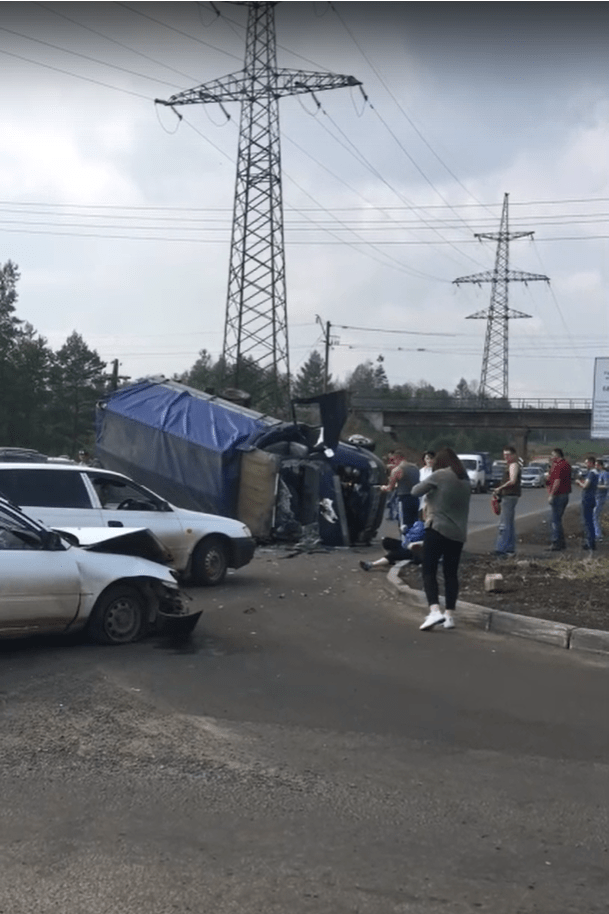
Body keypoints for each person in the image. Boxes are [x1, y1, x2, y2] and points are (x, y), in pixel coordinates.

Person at [411, 447, 471, 632]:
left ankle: (434, 609)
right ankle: (449, 616)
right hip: (458, 533)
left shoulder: (441, 476)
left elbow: (415, 491)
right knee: (450, 574)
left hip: (437, 529)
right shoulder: (465, 479)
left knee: (428, 569)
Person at [359, 520, 425, 572]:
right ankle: (388, 561)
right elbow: (410, 532)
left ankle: (371, 565)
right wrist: (405, 530)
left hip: (413, 550)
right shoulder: (419, 523)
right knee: (386, 541)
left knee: (393, 555)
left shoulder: (428, 528)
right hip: (405, 544)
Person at [493, 446, 522, 557]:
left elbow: (512, 480)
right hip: (510, 495)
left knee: (504, 523)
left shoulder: (513, 465)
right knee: (508, 523)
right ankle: (509, 548)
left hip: (509, 496)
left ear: (514, 455)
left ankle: (502, 548)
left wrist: (499, 488)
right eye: (504, 454)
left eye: (508, 454)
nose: (506, 457)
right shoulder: (510, 465)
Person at [381, 454, 420, 533]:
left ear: (397, 459)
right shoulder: (415, 468)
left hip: (404, 498)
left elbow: (390, 488)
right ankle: (414, 539)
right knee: (415, 522)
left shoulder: (397, 470)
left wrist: (382, 488)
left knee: (404, 524)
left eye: (393, 460)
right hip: (416, 498)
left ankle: (405, 541)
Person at [546, 448, 572, 551]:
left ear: (557, 455)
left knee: (555, 520)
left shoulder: (558, 465)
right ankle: (561, 543)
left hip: (558, 495)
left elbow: (557, 481)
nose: (551, 457)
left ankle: (556, 542)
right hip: (565, 494)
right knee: (558, 519)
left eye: (552, 455)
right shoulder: (566, 464)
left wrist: (551, 494)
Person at [577, 455, 599, 551]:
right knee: (589, 521)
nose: (585, 465)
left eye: (586, 463)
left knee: (587, 521)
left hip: (587, 499)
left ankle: (590, 543)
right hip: (592, 498)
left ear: (590, 463)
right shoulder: (596, 473)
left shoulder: (591, 473)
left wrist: (579, 482)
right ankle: (591, 542)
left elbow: (586, 485)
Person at [593, 459, 609, 543]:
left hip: (601, 498)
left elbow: (606, 486)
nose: (596, 466)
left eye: (597, 465)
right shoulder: (599, 474)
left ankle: (598, 535)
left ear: (601, 465)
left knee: (595, 515)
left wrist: (596, 486)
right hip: (597, 497)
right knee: (594, 516)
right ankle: (597, 534)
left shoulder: (605, 474)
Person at [418, 450, 435, 519]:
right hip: (422, 500)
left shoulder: (437, 471)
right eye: (427, 459)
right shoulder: (421, 471)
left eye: (431, 458)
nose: (429, 461)